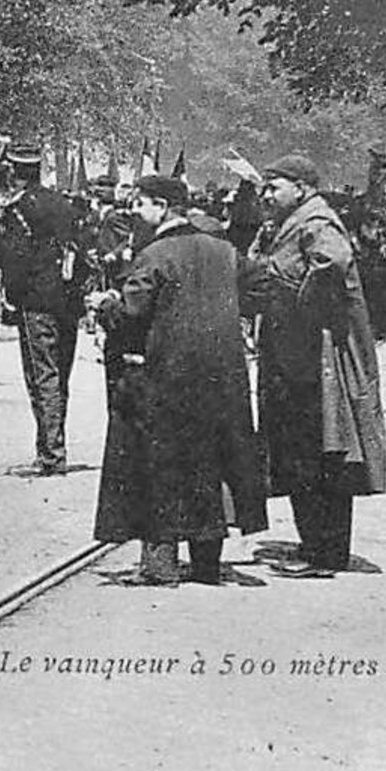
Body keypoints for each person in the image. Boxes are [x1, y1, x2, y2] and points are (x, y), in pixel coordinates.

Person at [86, 175, 266, 585]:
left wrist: (105, 306)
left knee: (158, 466)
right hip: (222, 377)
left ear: (162, 207)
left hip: (166, 378)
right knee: (210, 464)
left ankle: (160, 566)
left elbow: (132, 313)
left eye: (141, 204)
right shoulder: (225, 251)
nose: (135, 211)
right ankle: (206, 566)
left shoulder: (156, 254)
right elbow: (262, 287)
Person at [241, 154, 386, 578]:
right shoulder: (290, 223)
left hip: (315, 357)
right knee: (306, 451)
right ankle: (320, 547)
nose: (266, 195)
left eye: (274, 187)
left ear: (301, 188)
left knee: (320, 451)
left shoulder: (317, 223)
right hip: (296, 351)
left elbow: (331, 265)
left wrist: (285, 294)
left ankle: (324, 553)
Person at [0, 141, 88, 477]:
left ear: (14, 172)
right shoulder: (63, 204)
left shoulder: (17, 208)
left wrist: (9, 299)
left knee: (41, 376)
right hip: (68, 303)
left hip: (36, 303)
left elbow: (13, 260)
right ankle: (52, 448)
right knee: (60, 376)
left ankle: (51, 454)